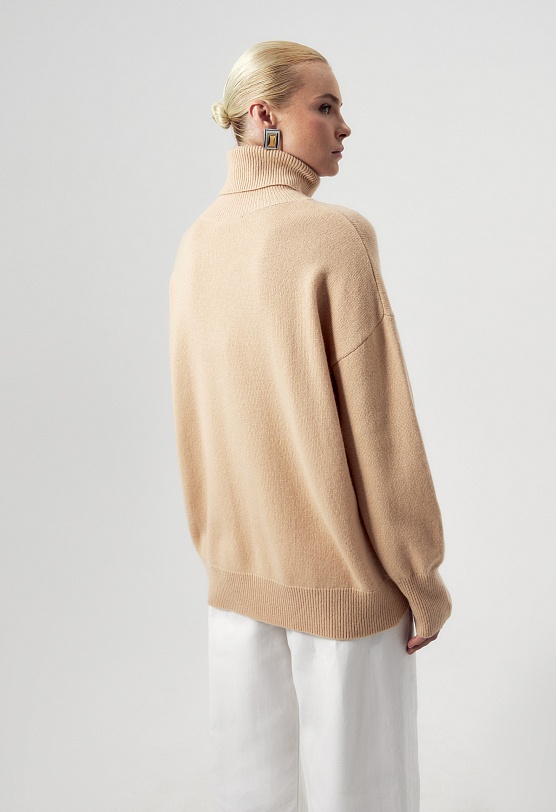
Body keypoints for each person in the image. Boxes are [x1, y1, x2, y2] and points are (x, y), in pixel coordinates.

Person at [169, 40, 452, 812]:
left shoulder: (197, 241)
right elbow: (379, 427)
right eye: (324, 107)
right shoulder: (334, 235)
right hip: (343, 590)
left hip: (235, 583)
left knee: (251, 797)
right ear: (264, 114)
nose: (343, 126)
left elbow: (198, 416)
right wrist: (419, 579)